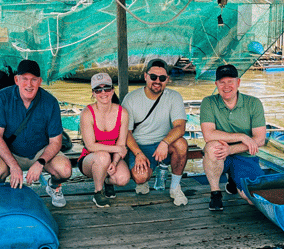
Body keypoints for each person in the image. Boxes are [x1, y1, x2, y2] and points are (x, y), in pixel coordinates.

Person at [0, 59, 72, 207]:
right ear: (17, 80)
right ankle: (0, 194)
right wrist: (13, 165)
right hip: (10, 151)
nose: (29, 84)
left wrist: (40, 163)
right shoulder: (2, 97)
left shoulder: (50, 102)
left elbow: (56, 142)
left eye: (33, 80)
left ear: (40, 81)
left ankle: (54, 186)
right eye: (24, 79)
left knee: (65, 169)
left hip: (40, 151)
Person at [122, 59, 189, 206]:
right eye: (153, 77)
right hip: (141, 146)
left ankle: (175, 187)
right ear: (145, 76)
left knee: (181, 144)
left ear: (167, 80)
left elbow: (180, 127)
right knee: (140, 177)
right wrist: (138, 153)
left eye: (162, 78)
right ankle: (144, 180)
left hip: (164, 144)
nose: (157, 81)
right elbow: (126, 132)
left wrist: (164, 143)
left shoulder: (174, 96)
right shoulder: (131, 98)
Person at [200, 63, 267, 212]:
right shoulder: (208, 102)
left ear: (238, 82)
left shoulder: (254, 103)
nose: (226, 86)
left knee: (252, 199)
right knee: (211, 147)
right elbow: (208, 134)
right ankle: (215, 193)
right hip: (220, 154)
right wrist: (242, 136)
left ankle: (233, 181)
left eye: (230, 81)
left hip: (243, 154)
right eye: (222, 82)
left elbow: (260, 139)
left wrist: (231, 149)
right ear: (216, 84)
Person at [77, 73, 131, 207]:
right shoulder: (87, 113)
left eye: (106, 88)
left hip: (113, 156)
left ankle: (107, 182)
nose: (103, 93)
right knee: (102, 156)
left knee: (123, 179)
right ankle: (98, 192)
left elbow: (121, 143)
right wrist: (117, 149)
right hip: (90, 159)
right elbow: (90, 146)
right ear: (93, 93)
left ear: (112, 90)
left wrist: (115, 161)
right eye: (98, 90)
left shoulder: (122, 113)